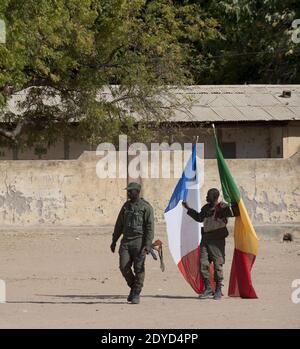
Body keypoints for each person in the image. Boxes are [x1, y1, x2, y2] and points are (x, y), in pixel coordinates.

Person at [182, 188, 239, 300]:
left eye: (209, 195)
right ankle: (208, 288)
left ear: (214, 197)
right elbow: (199, 218)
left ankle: (218, 288)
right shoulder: (206, 208)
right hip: (206, 239)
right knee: (203, 264)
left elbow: (236, 212)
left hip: (217, 240)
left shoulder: (222, 208)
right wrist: (188, 208)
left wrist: (234, 201)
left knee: (218, 265)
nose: (206, 197)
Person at [110, 182, 154, 304]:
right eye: (128, 191)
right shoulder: (126, 207)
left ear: (137, 192)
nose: (128, 193)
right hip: (126, 241)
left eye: (131, 191)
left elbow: (150, 228)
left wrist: (148, 244)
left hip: (139, 241)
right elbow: (119, 224)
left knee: (139, 268)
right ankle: (134, 287)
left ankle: (136, 293)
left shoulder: (146, 207)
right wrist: (114, 240)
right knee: (123, 266)